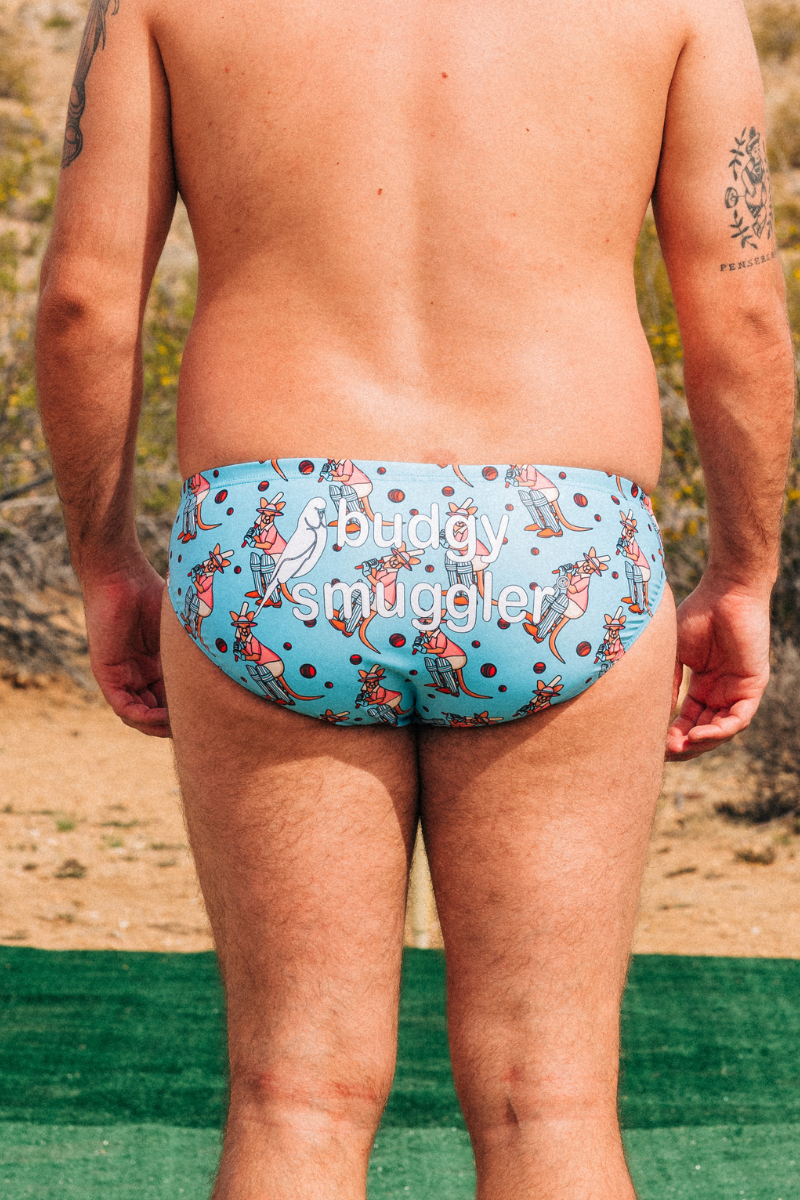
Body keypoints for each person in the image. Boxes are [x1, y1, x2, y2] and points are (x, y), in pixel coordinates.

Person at [36, 0, 794, 1194]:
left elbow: (84, 304)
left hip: (278, 536)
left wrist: (105, 563)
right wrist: (742, 573)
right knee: (549, 1101)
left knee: (294, 1096)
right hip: (555, 538)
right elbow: (739, 314)